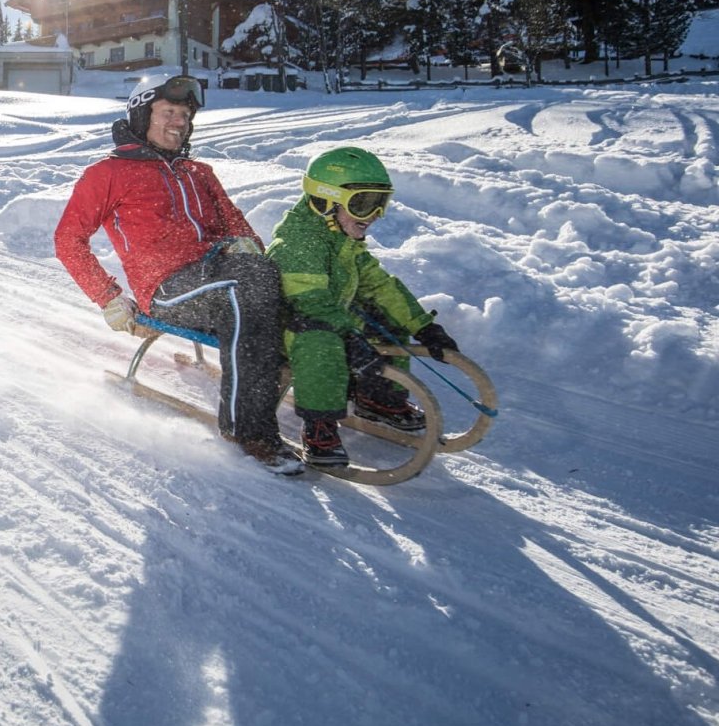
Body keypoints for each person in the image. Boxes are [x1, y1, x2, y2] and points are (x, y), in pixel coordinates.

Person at [53, 75, 300, 475]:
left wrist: (247, 248)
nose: (179, 123)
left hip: (221, 274)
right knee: (245, 285)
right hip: (168, 288)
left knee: (278, 278)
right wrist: (109, 297)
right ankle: (248, 430)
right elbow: (68, 240)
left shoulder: (198, 172)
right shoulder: (108, 173)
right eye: (168, 112)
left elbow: (239, 227)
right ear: (140, 114)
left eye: (184, 115)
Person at [266, 147, 459, 467]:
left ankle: (378, 398)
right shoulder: (297, 243)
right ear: (324, 200)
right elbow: (312, 304)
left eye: (380, 203)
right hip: (288, 331)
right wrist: (350, 337)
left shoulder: (341, 239)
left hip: (329, 318)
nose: (374, 215)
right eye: (363, 204)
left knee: (383, 318)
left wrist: (422, 326)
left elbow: (380, 285)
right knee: (322, 340)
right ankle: (319, 426)